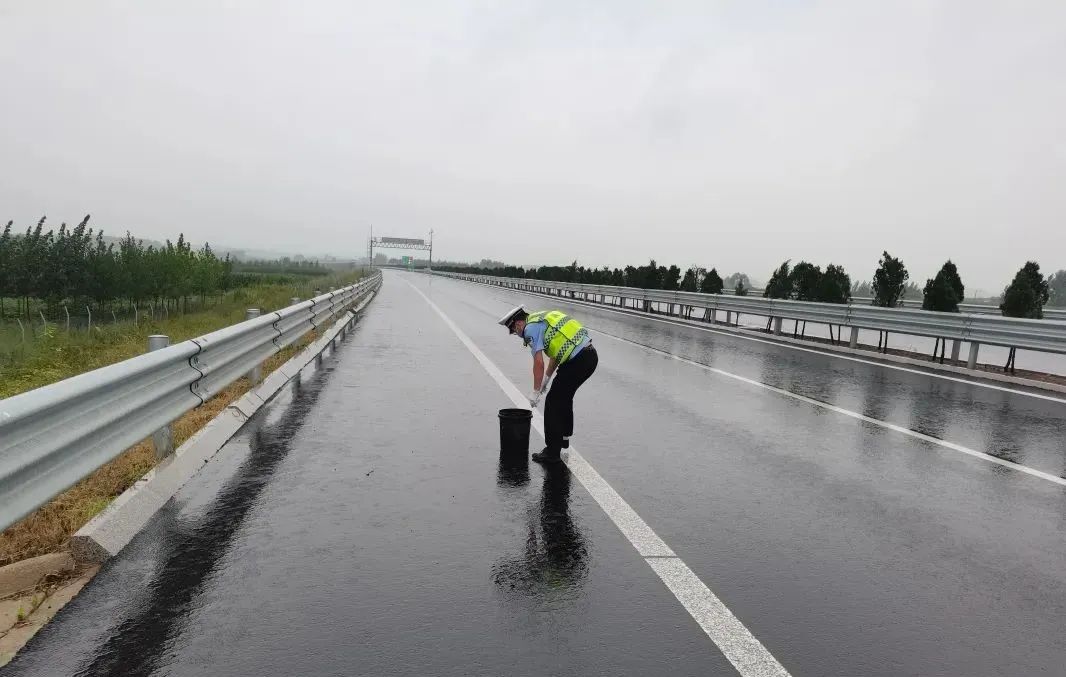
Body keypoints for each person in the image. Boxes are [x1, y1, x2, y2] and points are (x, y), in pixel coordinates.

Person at [498, 306, 598, 463]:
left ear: (517, 324)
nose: (516, 334)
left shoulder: (529, 330)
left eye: (513, 331)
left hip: (577, 361)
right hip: (589, 356)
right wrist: (546, 380)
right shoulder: (541, 319)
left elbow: (538, 363)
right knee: (564, 397)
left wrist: (535, 391)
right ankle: (564, 437)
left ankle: (552, 451)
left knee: (553, 402)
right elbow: (556, 354)